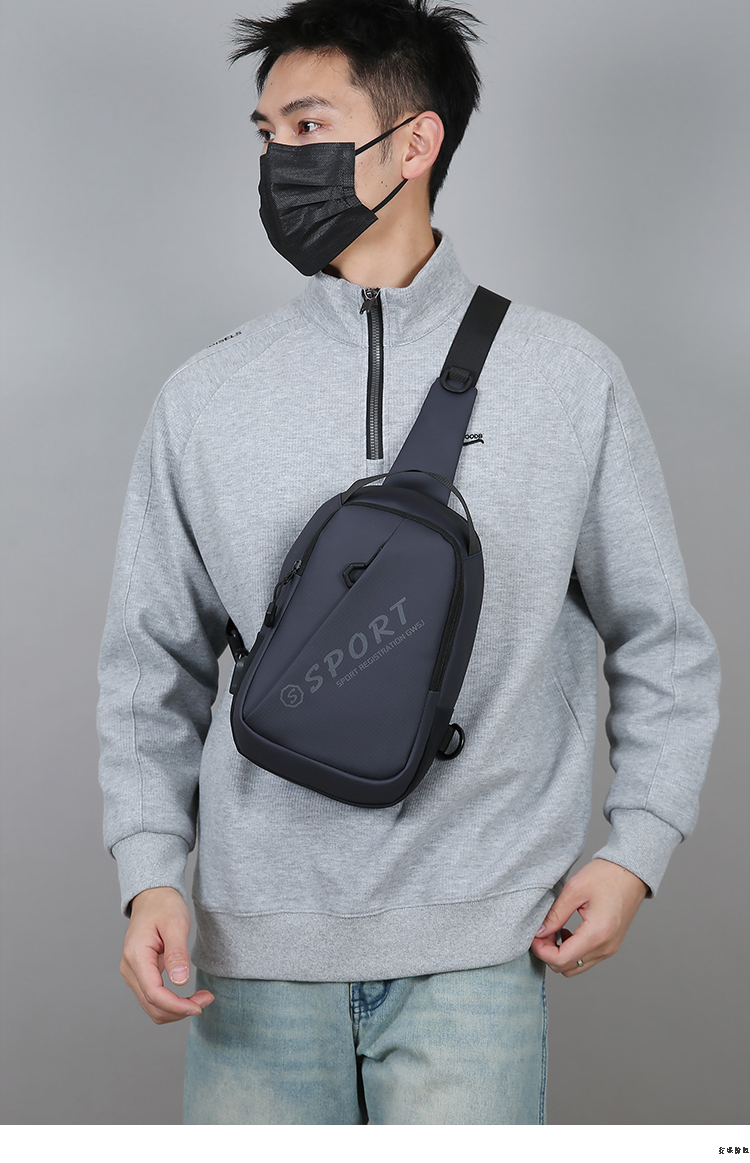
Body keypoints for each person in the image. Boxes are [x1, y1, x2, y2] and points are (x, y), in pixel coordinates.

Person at [96, 0, 720, 1126]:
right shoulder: (207, 395)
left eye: (307, 125)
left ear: (414, 141)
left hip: (481, 944)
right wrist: (148, 870)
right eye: (267, 133)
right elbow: (150, 666)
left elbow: (662, 641)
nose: (278, 161)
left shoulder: (568, 378)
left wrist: (637, 851)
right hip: (254, 948)